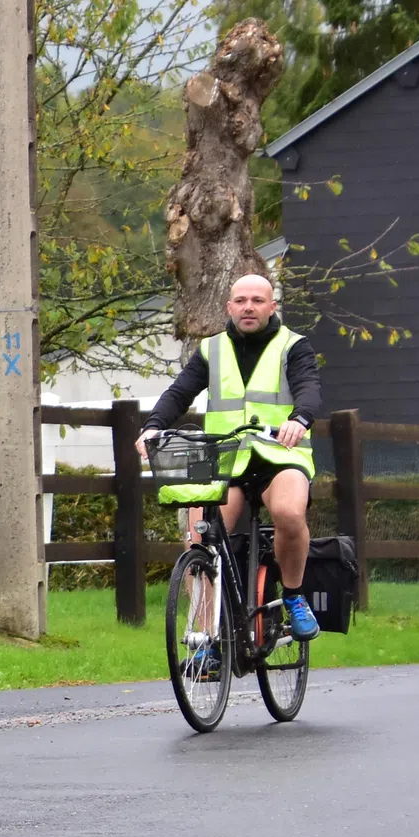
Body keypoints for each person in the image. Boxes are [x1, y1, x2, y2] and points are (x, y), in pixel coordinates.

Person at [138, 273, 323, 660]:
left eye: (258, 300)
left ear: (272, 307)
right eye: (241, 300)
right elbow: (179, 392)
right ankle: (207, 636)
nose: (249, 307)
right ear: (229, 307)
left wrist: (300, 418)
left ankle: (292, 596)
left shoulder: (294, 346)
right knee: (200, 537)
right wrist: (153, 426)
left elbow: (308, 387)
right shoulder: (212, 350)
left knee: (289, 513)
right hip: (226, 461)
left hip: (280, 456)